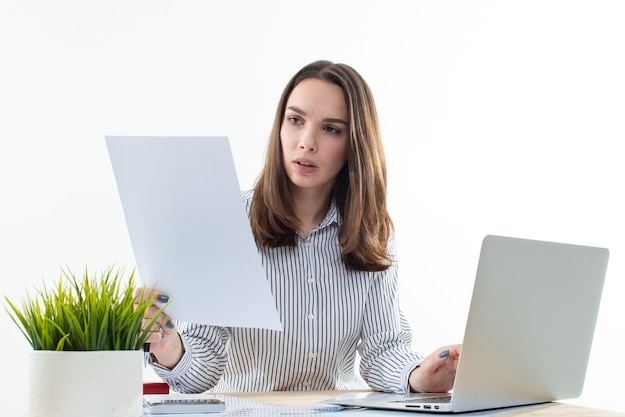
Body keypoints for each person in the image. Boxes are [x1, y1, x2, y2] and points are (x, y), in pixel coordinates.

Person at [138, 60, 461, 394]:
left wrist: (418, 377)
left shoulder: (372, 232)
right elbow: (201, 369)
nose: (307, 142)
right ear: (280, 127)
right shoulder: (230, 222)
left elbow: (383, 351)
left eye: (331, 129)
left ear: (355, 145)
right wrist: (169, 345)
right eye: (295, 120)